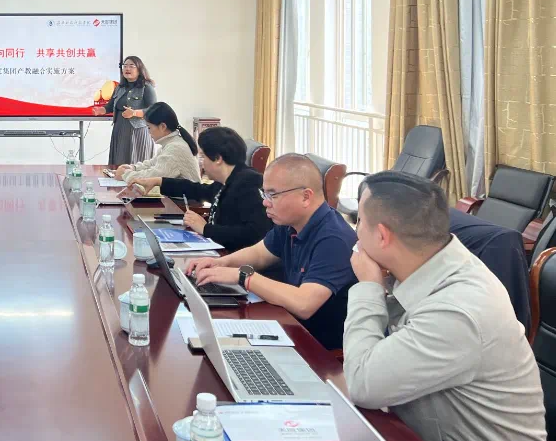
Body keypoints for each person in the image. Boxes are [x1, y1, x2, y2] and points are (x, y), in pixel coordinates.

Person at [344, 171, 545, 441]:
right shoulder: (434, 261)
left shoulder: (458, 310)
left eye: (359, 221)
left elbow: (361, 383)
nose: (356, 232)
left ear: (382, 236)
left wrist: (369, 286)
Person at [186, 153, 357, 350]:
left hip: (317, 348)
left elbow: (304, 304)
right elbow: (259, 254)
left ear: (305, 197)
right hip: (288, 326)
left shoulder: (334, 239)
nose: (265, 203)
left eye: (273, 195)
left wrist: (243, 277)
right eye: (264, 194)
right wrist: (219, 263)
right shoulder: (291, 223)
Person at [126, 127, 272, 251]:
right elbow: (197, 190)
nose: (201, 163)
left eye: (203, 157)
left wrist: (205, 228)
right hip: (221, 251)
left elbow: (255, 234)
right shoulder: (227, 180)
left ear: (218, 159)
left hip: (236, 261)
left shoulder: (248, 183)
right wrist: (159, 181)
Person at [113, 102, 199, 185]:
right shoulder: (171, 144)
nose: (148, 132)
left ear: (163, 126)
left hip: (186, 195)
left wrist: (125, 174)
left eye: (149, 127)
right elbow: (152, 164)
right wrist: (133, 168)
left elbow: (154, 176)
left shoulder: (175, 148)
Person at [92, 55, 157, 165]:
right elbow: (110, 106)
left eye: (131, 66)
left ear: (139, 69)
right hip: (119, 128)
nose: (127, 69)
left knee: (136, 163)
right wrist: (101, 110)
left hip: (138, 131)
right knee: (119, 163)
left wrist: (134, 113)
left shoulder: (146, 87)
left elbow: (154, 110)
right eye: (125, 66)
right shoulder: (119, 87)